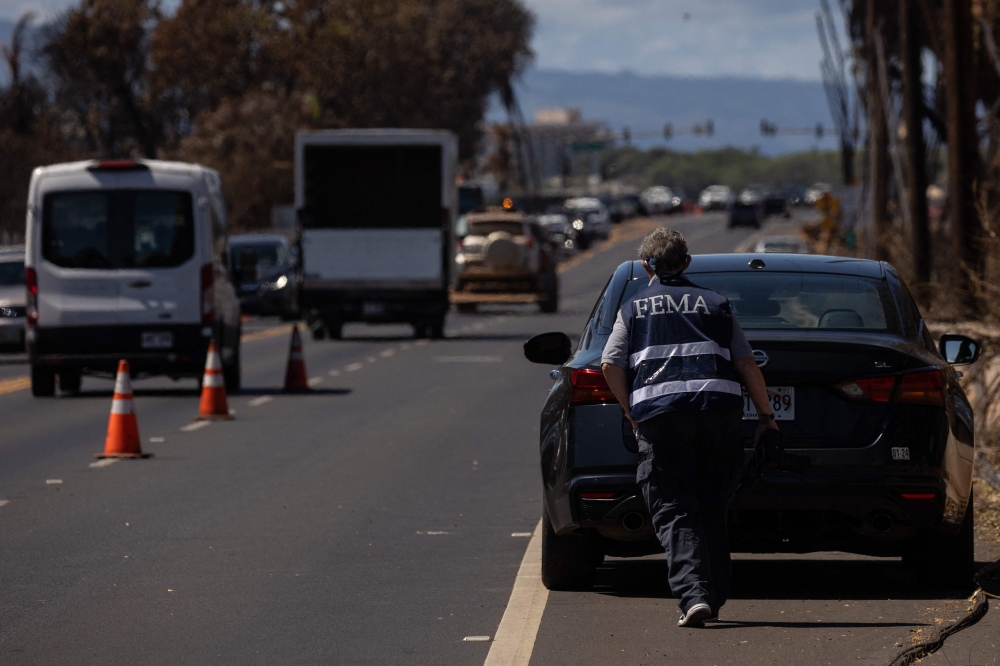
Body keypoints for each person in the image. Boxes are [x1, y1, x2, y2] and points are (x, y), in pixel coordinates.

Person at [601, 227, 778, 628]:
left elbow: (610, 364)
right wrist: (767, 418)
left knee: (675, 509)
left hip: (661, 418)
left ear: (647, 266)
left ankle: (693, 596)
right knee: (712, 507)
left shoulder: (633, 308)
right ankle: (711, 597)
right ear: (687, 263)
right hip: (719, 414)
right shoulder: (717, 304)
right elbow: (746, 363)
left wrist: (631, 411)